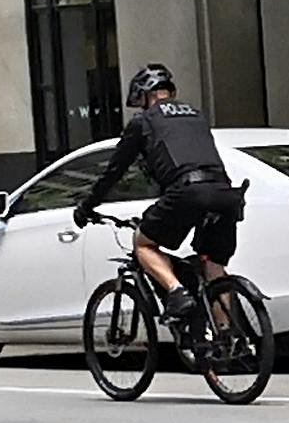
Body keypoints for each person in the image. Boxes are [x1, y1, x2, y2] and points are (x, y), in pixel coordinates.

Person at [73, 63, 243, 330]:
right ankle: (226, 340)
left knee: (143, 243)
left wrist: (87, 205)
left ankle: (176, 291)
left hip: (188, 191)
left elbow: (114, 171)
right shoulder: (196, 115)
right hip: (225, 193)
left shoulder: (144, 122)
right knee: (214, 266)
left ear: (144, 95)